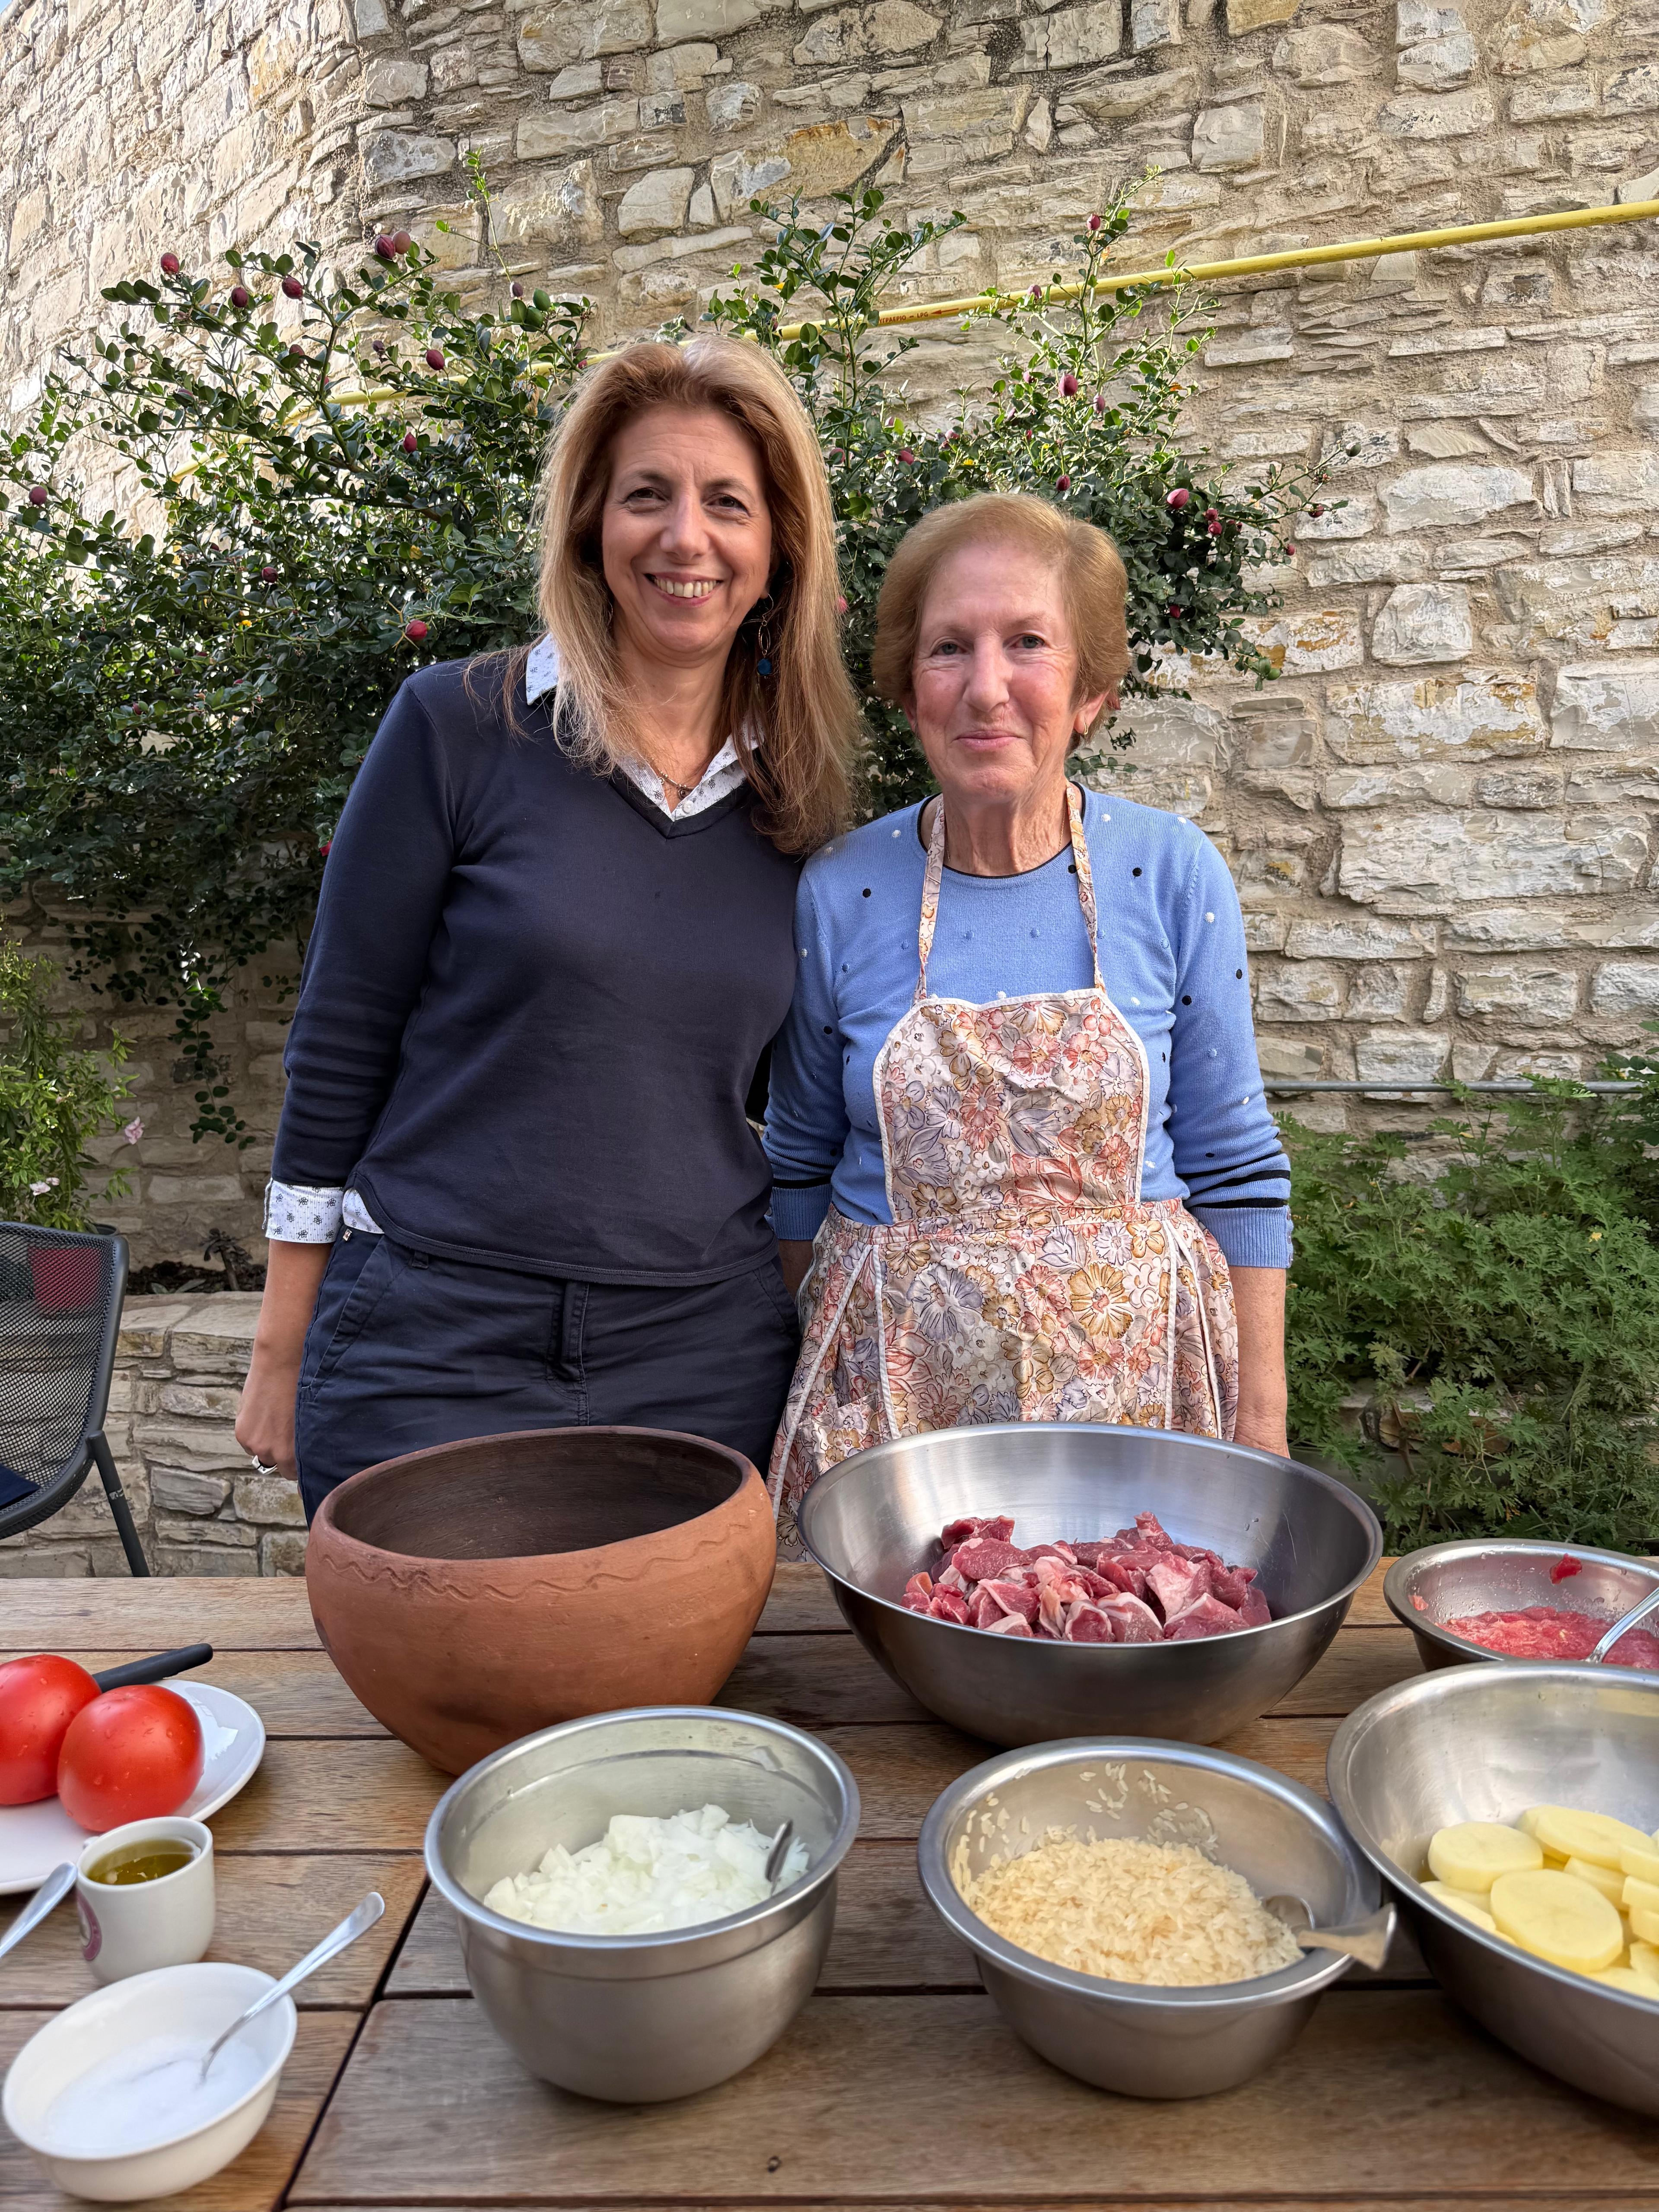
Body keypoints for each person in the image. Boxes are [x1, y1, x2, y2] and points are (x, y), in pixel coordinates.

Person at [235, 337, 862, 1522]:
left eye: (728, 503)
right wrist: (281, 1345)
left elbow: (809, 1115)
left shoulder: (803, 808)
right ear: (588, 526)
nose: (686, 538)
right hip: (435, 1335)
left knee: (667, 1704)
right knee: (438, 1699)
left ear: (777, 549)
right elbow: (340, 1040)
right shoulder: (456, 729)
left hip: (699, 1353)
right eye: (647, 496)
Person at [764, 492, 1291, 1532]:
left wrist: (1262, 1425)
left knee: (1129, 1636)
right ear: (911, 689)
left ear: (1089, 692)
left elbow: (1236, 1163)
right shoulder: (841, 890)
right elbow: (795, 1165)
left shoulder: (1171, 873)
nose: (986, 688)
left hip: (1141, 1393)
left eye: (1029, 644)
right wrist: (815, 1361)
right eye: (949, 648)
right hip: (896, 1410)